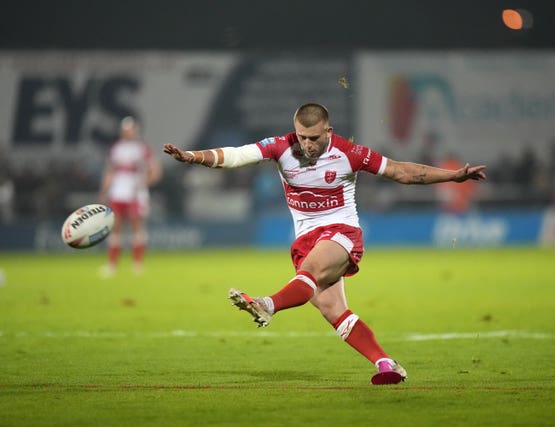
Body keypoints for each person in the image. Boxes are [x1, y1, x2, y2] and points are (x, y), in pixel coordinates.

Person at [163, 103, 486, 385]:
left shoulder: (350, 153)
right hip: (306, 238)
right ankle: (387, 364)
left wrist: (453, 175)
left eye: (314, 138)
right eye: (302, 137)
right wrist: (193, 156)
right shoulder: (281, 147)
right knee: (334, 310)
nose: (307, 144)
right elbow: (236, 156)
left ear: (328, 131)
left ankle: (267, 305)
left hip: (340, 232)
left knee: (312, 271)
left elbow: (402, 172)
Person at [99, 117, 163, 277]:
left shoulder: (142, 149)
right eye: (126, 130)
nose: (128, 133)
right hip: (118, 192)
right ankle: (112, 264)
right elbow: (110, 171)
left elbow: (155, 170)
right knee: (116, 227)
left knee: (137, 226)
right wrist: (104, 191)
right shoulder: (116, 148)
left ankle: (137, 264)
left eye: (131, 129)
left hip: (135, 193)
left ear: (135, 130)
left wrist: (145, 183)